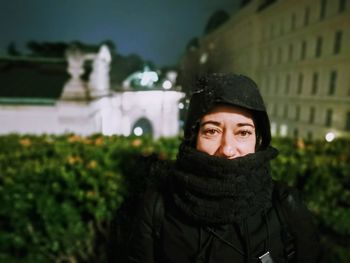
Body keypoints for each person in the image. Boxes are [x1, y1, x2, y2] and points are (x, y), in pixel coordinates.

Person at [114, 73, 322, 263]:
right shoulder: (158, 207)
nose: (227, 149)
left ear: (258, 140)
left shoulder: (286, 207)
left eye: (243, 133)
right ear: (193, 138)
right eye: (212, 131)